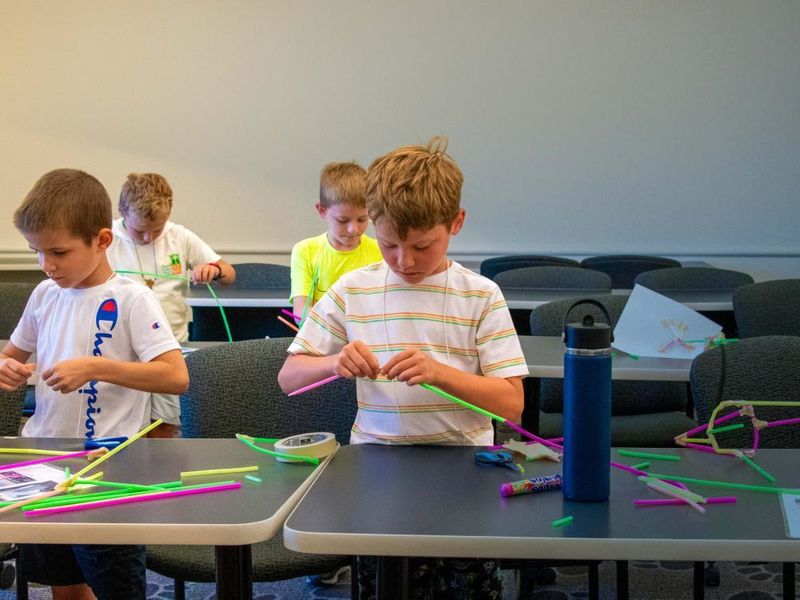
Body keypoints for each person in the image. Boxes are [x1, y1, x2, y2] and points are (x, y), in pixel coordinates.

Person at [278, 138, 528, 599]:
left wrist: (440, 372)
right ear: (373, 225)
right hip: (378, 470)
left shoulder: (480, 294)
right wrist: (335, 361)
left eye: (422, 246)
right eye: (389, 244)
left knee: (466, 589)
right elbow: (288, 377)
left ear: (456, 223)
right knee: (386, 586)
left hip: (463, 472)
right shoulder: (354, 289)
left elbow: (512, 404)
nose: (404, 261)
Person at [0, 168, 189, 600]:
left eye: (59, 252)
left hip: (107, 469)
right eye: (37, 252)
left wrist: (95, 368)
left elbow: (175, 376)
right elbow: (12, 355)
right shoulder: (45, 294)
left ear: (102, 240)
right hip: (44, 460)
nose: (47, 266)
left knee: (114, 582)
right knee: (62, 582)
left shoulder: (131, 298)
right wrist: (4, 368)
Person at [107, 172, 235, 438]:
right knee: (127, 428)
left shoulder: (180, 236)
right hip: (124, 354)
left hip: (171, 349)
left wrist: (212, 269)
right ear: (122, 212)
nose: (148, 238)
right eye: (140, 230)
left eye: (157, 229)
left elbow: (228, 273)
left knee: (166, 425)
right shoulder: (107, 240)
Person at [290, 161, 382, 323]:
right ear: (322, 210)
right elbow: (300, 312)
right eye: (342, 220)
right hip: (322, 342)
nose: (354, 229)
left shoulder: (380, 251)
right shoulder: (305, 251)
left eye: (362, 219)